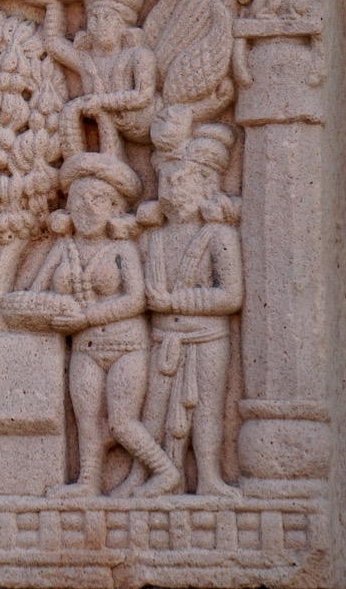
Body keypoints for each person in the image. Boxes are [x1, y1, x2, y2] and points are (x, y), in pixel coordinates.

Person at [29, 152, 179, 497]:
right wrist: (52, 309)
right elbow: (36, 291)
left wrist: (86, 316)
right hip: (84, 347)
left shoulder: (121, 249)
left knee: (122, 422)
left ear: (114, 207)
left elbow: (135, 300)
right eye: (78, 199)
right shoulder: (62, 248)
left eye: (98, 199)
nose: (87, 207)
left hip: (126, 345)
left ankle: (166, 472)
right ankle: (87, 482)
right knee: (86, 421)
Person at [141, 124, 243, 496]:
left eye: (179, 181)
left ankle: (211, 478)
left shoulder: (220, 237)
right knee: (154, 411)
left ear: (205, 184)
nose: (168, 190)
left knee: (206, 412)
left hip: (206, 337)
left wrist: (176, 302)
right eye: (164, 182)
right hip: (163, 336)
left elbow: (231, 296)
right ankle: (153, 474)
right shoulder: (153, 238)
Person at [44, 0, 158, 159]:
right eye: (94, 18)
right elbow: (53, 43)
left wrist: (102, 101)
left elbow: (143, 95)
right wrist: (52, 3)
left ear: (123, 25)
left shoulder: (138, 55)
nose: (100, 25)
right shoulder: (86, 61)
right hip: (111, 128)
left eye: (109, 18)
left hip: (148, 122)